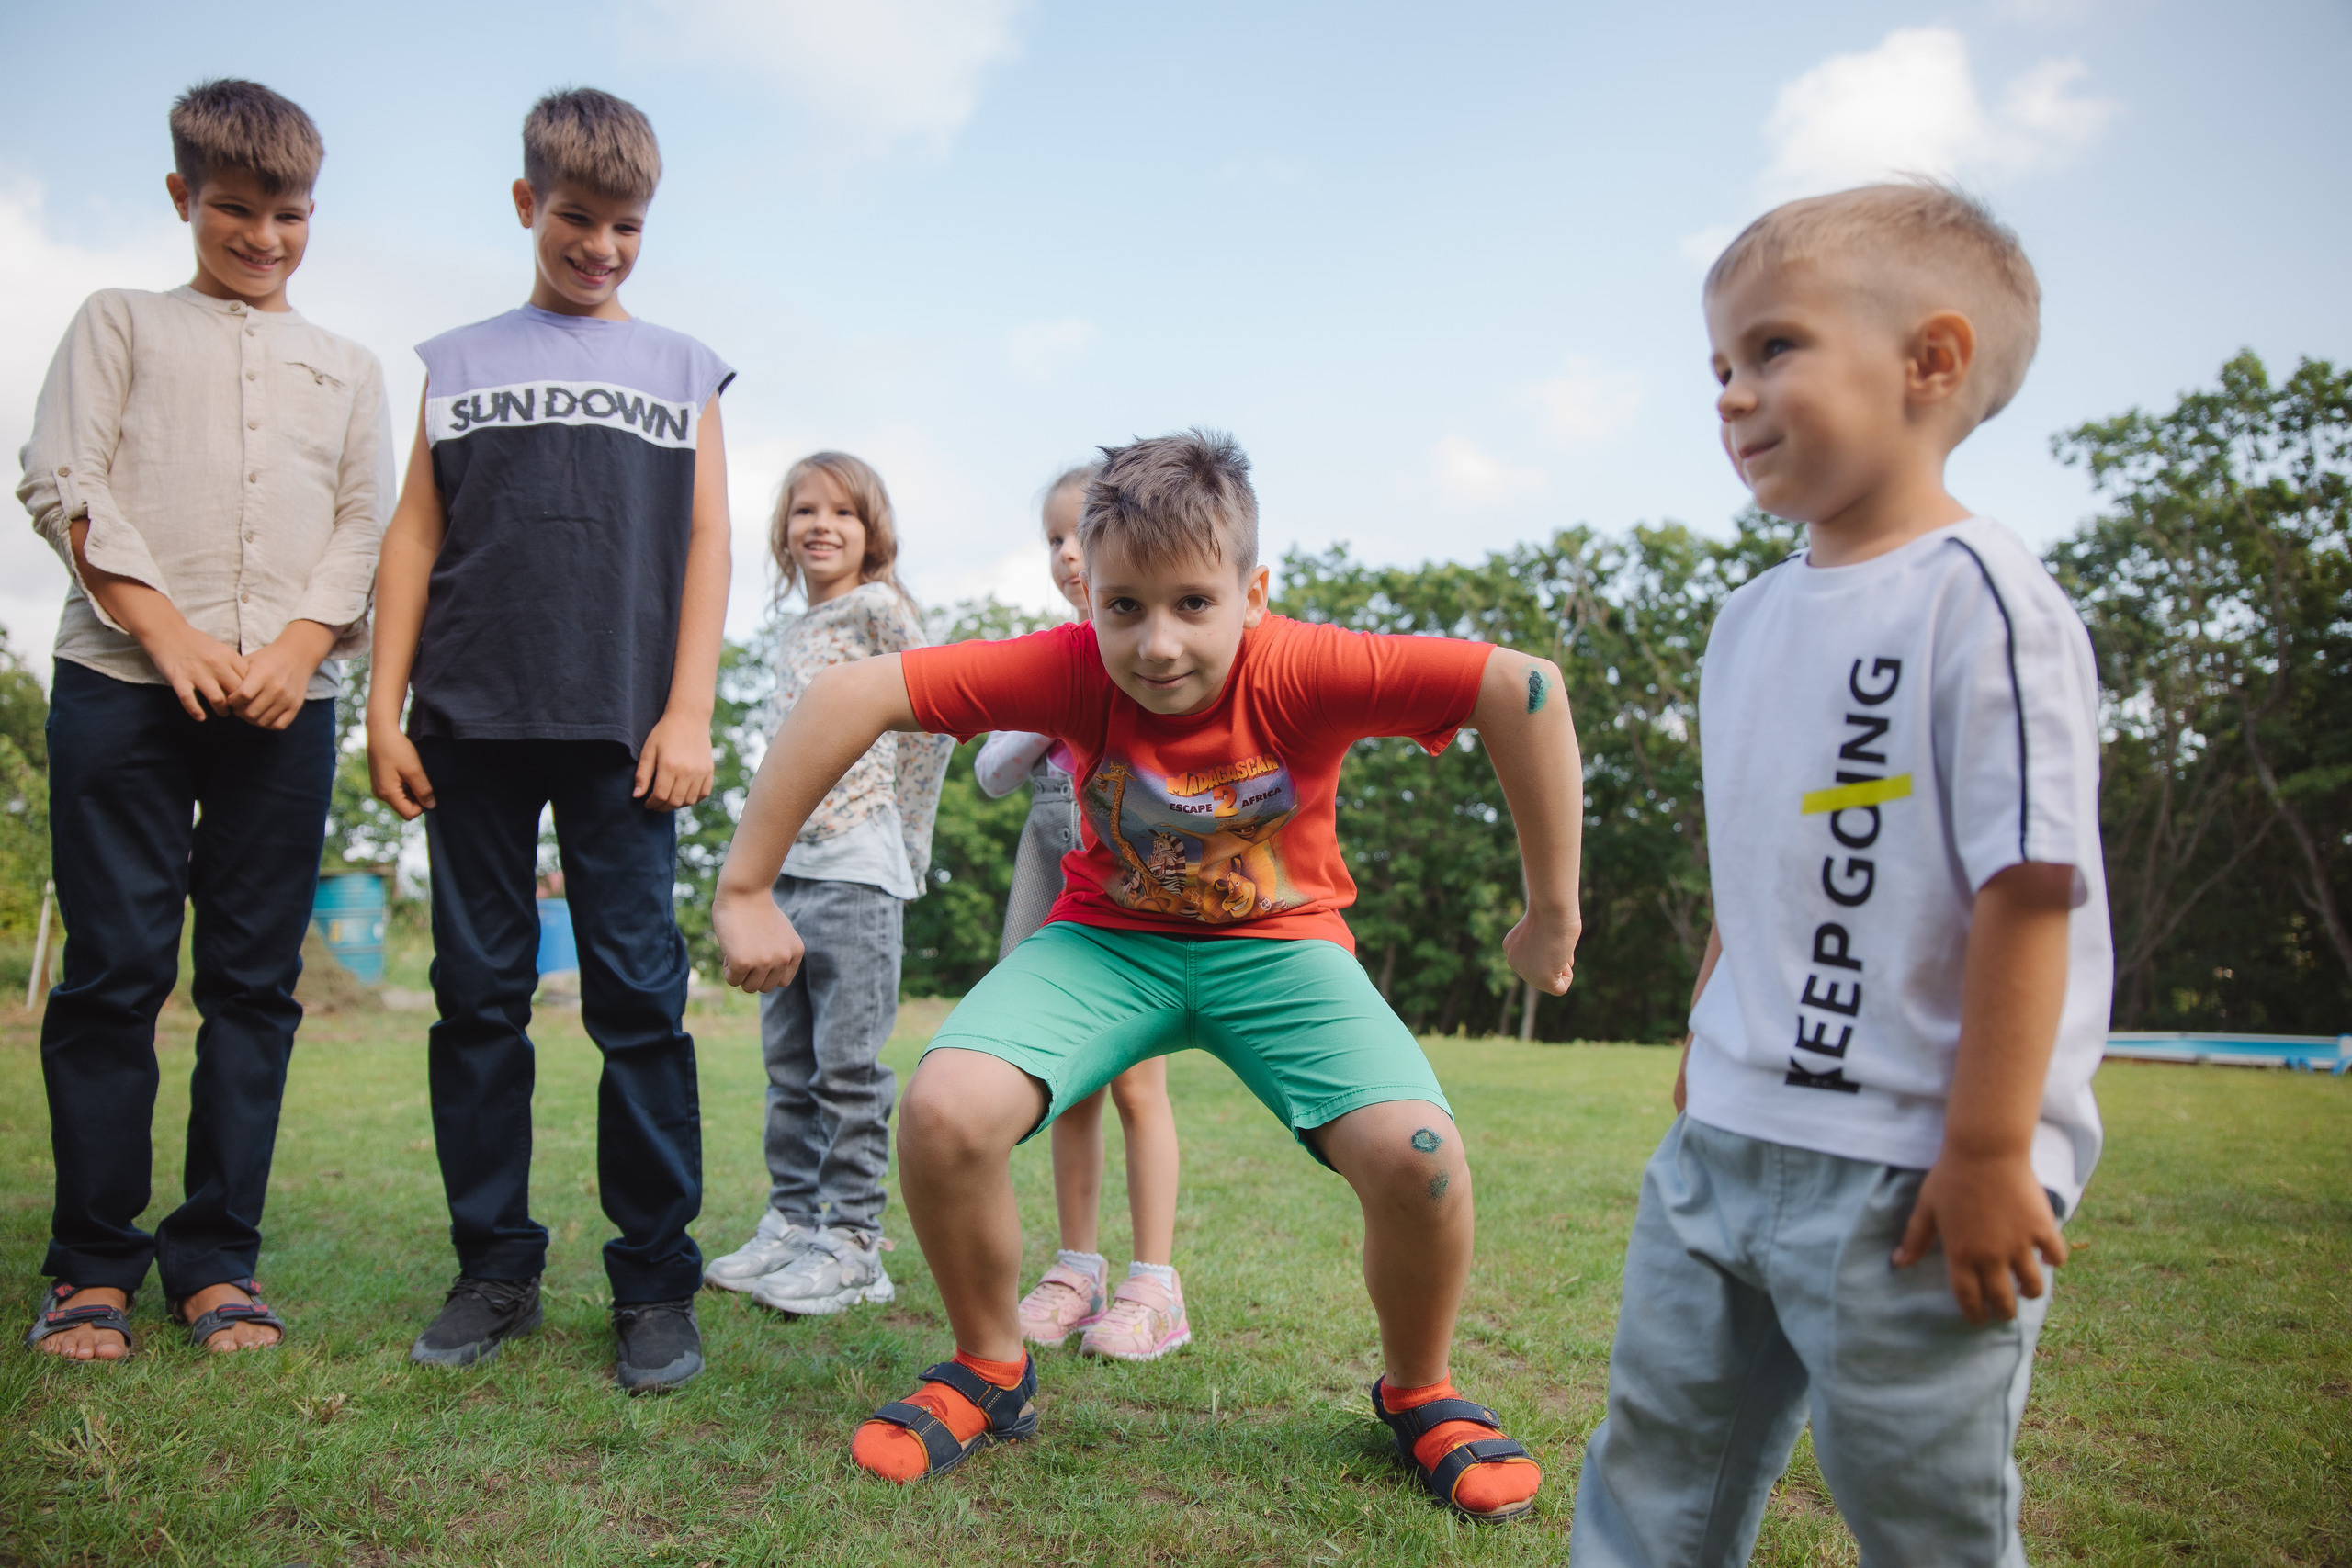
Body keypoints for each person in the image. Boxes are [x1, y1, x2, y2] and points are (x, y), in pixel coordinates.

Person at [714, 430, 1584, 1517]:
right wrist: (745, 886)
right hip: (1107, 941)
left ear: (1251, 592)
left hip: (1279, 950)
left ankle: (1423, 1389)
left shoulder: (1306, 665)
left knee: (1420, 1157)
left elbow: (1527, 689)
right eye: (1123, 606)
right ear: (1091, 596)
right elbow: (851, 697)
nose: (1155, 644)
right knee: (944, 1110)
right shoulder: (1071, 665)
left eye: (1191, 604)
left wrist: (1551, 908)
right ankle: (990, 1370)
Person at [1569, 182, 2111, 1565]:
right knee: (1653, 1474)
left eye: (1775, 349)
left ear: (1930, 362)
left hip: (1913, 1176)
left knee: (1920, 1514)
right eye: (1720, 367)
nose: (1734, 395)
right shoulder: (1747, 618)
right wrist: (1709, 1034)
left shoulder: (1985, 600)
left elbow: (2031, 888)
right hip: (1724, 1148)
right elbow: (1751, 852)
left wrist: (1992, 1149)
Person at [365, 87, 734, 1393]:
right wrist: (381, 708)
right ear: (529, 204)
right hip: (466, 718)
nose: (602, 248)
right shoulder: (455, 362)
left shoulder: (685, 367)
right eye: (578, 219)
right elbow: (412, 538)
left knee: (640, 1004)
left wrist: (689, 709)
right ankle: (494, 1268)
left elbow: (705, 543)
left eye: (626, 225)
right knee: (479, 1001)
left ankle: (653, 1285)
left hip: (626, 733)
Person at [17, 80, 391, 1362]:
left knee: (250, 984)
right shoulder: (116, 321)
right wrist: (167, 632)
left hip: (290, 702)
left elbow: (364, 523)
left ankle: (218, 1258)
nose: (266, 236)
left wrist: (297, 646)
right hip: (122, 685)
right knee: (116, 974)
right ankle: (90, 1266)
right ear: (184, 196)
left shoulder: (348, 368)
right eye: (236, 208)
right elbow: (60, 478)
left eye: (290, 212)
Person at [701, 453, 951, 1315]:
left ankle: (855, 1243)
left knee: (846, 1067)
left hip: (856, 870)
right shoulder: (790, 632)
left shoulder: (881, 610)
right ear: (783, 531)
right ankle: (794, 1220)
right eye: (805, 510)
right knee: (789, 1068)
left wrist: (900, 832)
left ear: (871, 532)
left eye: (843, 513)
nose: (822, 525)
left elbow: (937, 715)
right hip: (782, 880)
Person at [972, 462, 1191, 1361]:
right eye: (1055, 540)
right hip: (1055, 862)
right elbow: (991, 773)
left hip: (1137, 862)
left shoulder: (1164, 651)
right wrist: (1043, 706)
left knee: (1138, 1078)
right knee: (1072, 1076)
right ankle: (1076, 1269)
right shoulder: (1050, 657)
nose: (1069, 553)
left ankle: (1154, 1285)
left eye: (1082, 533)